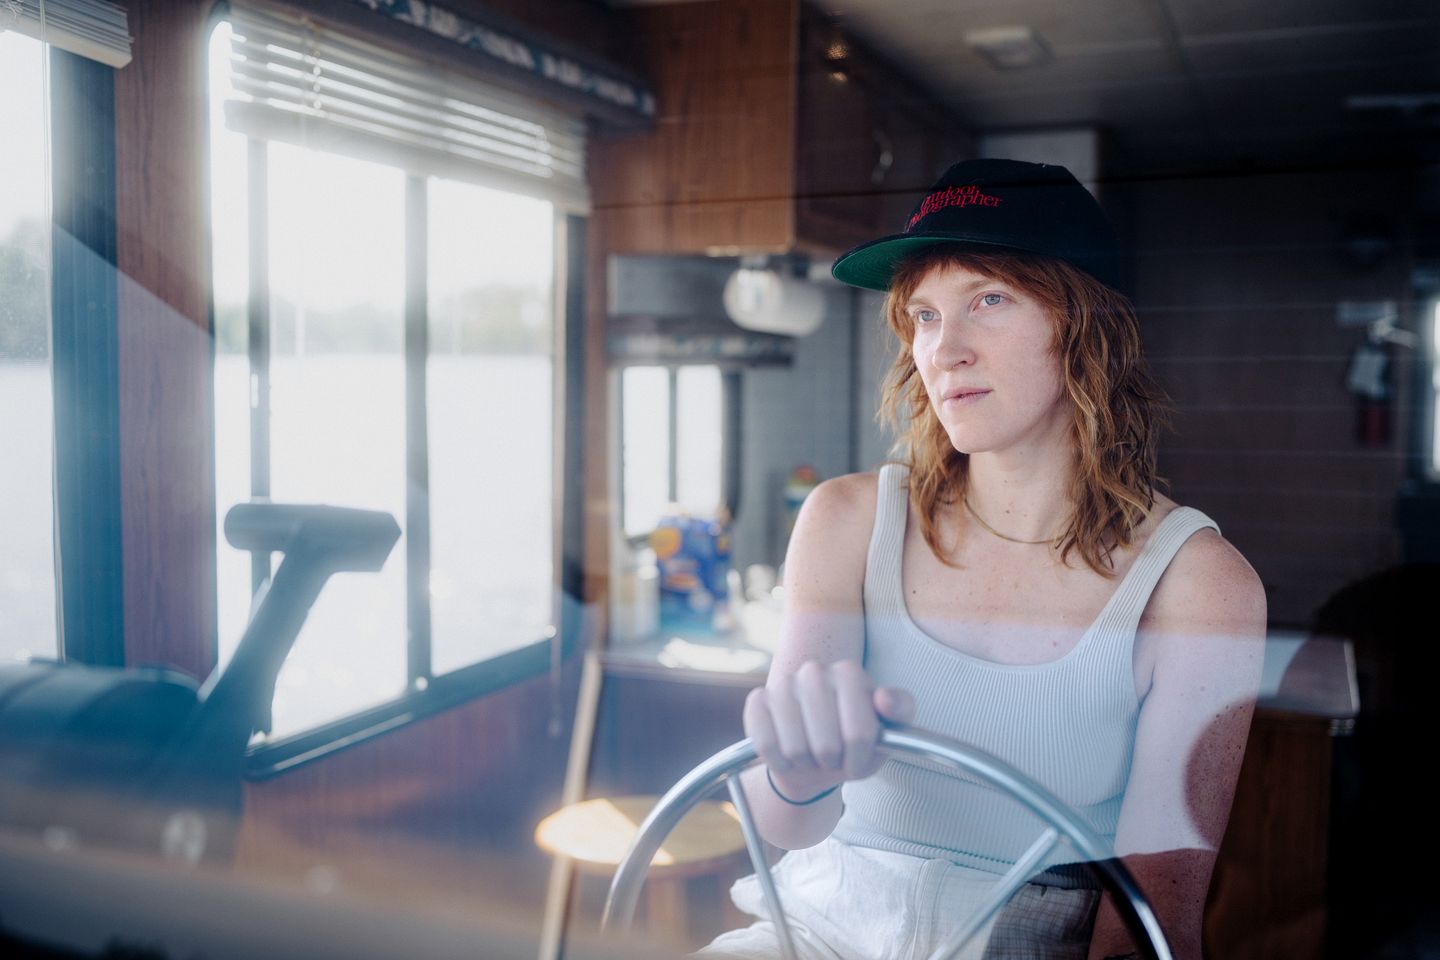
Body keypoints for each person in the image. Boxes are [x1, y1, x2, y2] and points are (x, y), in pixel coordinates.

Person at [694, 159, 1266, 960]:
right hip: (816, 927)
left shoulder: (1198, 584)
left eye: (987, 301)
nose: (944, 349)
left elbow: (1151, 929)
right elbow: (787, 826)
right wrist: (799, 770)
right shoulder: (847, 521)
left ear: (1084, 323)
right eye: (924, 315)